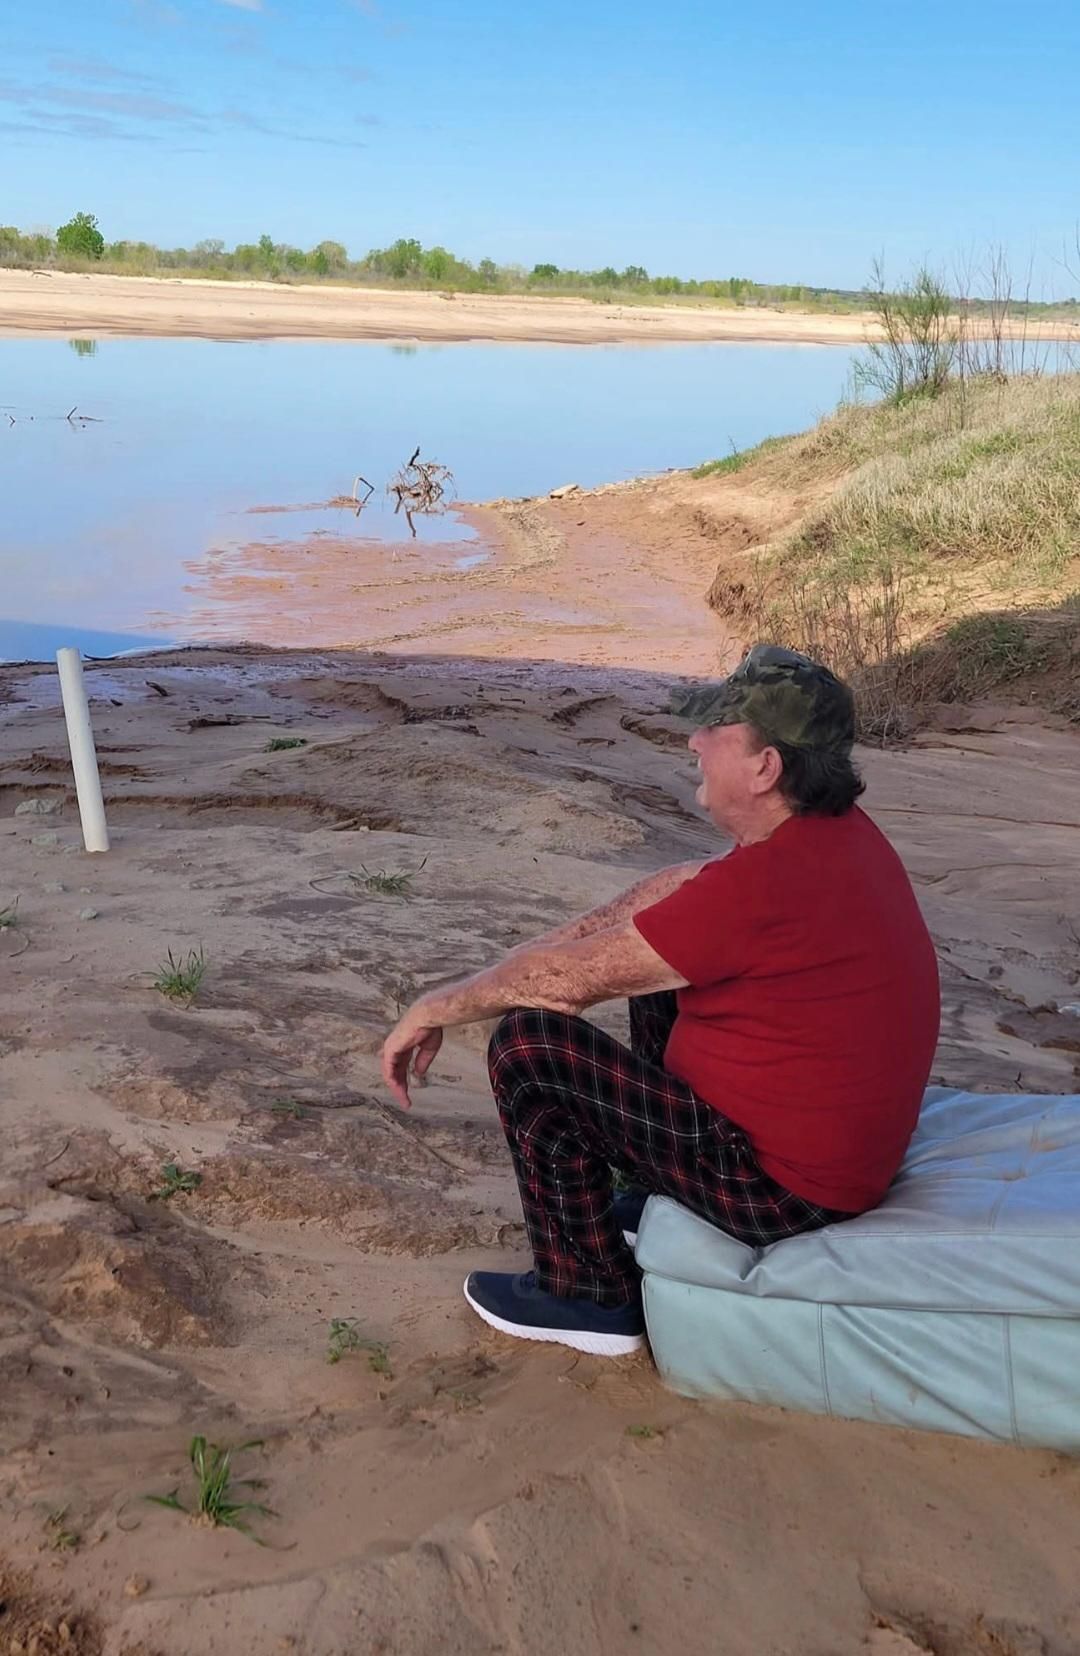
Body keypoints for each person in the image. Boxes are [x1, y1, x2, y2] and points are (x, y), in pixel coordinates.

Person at [380, 645, 941, 1357]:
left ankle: (586, 1295)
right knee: (655, 971)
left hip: (784, 1192)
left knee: (529, 1047)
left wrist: (434, 1007)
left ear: (766, 768)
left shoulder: (765, 888)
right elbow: (662, 899)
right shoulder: (822, 836)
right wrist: (511, 962)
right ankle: (653, 1199)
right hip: (820, 1155)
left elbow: (564, 983)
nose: (693, 742)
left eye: (716, 730)